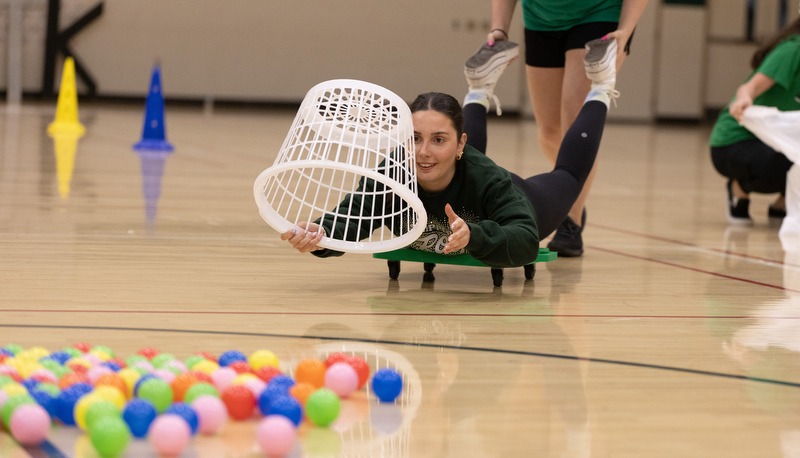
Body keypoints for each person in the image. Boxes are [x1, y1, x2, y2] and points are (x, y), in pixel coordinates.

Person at [281, 37, 619, 268]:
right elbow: (352, 217)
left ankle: (602, 86)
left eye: (439, 140)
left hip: (525, 199)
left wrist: (476, 235)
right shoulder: (394, 171)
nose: (423, 152)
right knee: (446, 161)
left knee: (569, 176)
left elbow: (526, 241)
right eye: (414, 138)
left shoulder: (490, 180)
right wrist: (318, 236)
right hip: (467, 172)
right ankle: (479, 90)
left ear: (460, 145)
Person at [464, 0, 648, 257]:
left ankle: (570, 222)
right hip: (540, 18)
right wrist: (500, 31)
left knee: (574, 123)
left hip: (599, 13)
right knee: (550, 132)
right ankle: (572, 198)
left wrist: (626, 30)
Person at [709, 17, 800, 226]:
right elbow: (749, 88)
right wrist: (744, 99)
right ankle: (739, 188)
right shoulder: (793, 49)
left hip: (777, 143)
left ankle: (783, 203)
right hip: (735, 141)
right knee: (784, 161)